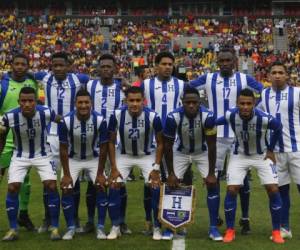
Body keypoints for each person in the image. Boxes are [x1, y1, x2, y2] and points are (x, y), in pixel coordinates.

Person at [190, 47, 263, 236]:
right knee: (212, 179)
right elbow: (187, 89)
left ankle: (245, 218)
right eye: (221, 60)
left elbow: (263, 93)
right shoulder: (207, 79)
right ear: (217, 62)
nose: (224, 64)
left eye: (227, 60)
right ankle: (215, 218)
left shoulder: (245, 79)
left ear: (234, 62)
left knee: (243, 180)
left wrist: (255, 115)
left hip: (240, 135)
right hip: (215, 136)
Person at [215, 88, 284, 244]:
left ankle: (276, 231)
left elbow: (278, 127)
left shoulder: (263, 118)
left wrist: (271, 150)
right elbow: (212, 122)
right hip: (239, 155)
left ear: (254, 104)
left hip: (261, 156)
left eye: (248, 103)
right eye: (242, 103)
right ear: (237, 104)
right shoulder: (230, 115)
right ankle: (230, 230)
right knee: (232, 189)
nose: (245, 106)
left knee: (273, 189)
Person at [33, 51, 90, 233]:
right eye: (55, 65)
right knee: (48, 179)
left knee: (73, 179)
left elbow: (100, 81)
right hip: (50, 136)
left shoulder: (79, 78)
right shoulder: (44, 77)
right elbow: (23, 73)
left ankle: (75, 218)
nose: (58, 68)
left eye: (61, 65)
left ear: (68, 65)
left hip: (72, 136)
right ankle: (48, 218)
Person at [0, 87, 61, 241]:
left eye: (30, 101)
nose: (27, 104)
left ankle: (54, 227)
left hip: (43, 154)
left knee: (52, 185)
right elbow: (1, 133)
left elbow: (62, 121)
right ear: (19, 102)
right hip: (20, 155)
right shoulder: (10, 116)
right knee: (13, 187)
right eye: (23, 101)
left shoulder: (46, 112)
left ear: (36, 101)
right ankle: (13, 229)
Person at [164, 86, 220, 240]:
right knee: (171, 184)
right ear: (182, 102)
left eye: (194, 102)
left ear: (199, 103)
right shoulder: (172, 117)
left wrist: (210, 173)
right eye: (187, 102)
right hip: (180, 152)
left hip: (201, 152)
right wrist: (171, 173)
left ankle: (213, 228)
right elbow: (167, 146)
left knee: (213, 184)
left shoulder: (208, 117)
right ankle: (170, 227)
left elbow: (212, 145)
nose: (191, 105)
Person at [108, 86, 164, 240]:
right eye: (131, 100)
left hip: (146, 155)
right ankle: (116, 226)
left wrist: (156, 168)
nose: (134, 104)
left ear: (143, 101)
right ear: (126, 101)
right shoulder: (116, 115)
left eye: (138, 100)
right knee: (114, 184)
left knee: (155, 186)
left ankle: (157, 227)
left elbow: (160, 143)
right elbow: (111, 143)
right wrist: (113, 167)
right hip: (124, 155)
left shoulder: (153, 116)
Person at [140, 51, 185, 239]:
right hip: (152, 141)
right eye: (164, 64)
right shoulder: (145, 85)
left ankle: (177, 220)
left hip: (175, 141)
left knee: (176, 181)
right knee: (151, 183)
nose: (168, 67)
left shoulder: (181, 84)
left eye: (170, 64)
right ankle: (150, 221)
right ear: (156, 65)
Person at [86, 54, 130, 235]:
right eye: (102, 66)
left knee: (118, 181)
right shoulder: (90, 85)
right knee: (92, 181)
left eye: (109, 66)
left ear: (115, 69)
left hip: (115, 141)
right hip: (93, 140)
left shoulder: (122, 88)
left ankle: (121, 221)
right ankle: (90, 221)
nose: (105, 69)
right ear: (98, 68)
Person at [58, 88, 109, 240]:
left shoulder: (100, 120)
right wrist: (66, 174)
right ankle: (71, 227)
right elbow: (63, 149)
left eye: (86, 102)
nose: (83, 106)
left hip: (93, 159)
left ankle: (100, 227)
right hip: (73, 159)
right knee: (66, 188)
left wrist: (100, 173)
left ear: (91, 103)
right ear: (75, 104)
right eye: (80, 102)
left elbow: (104, 147)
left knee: (101, 186)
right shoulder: (65, 121)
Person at [260, 61, 300, 239]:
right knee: (280, 191)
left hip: (297, 149)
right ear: (268, 76)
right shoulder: (264, 94)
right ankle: (284, 228)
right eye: (274, 72)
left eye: (280, 72)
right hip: (274, 153)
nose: (277, 75)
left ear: (287, 75)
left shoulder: (297, 93)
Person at [0, 53, 39, 231]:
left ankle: (23, 214)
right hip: (4, 139)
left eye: (24, 64)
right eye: (17, 63)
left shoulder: (32, 83)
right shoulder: (3, 84)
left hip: (24, 140)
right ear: (12, 65)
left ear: (28, 66)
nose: (20, 66)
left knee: (25, 180)